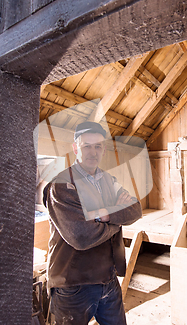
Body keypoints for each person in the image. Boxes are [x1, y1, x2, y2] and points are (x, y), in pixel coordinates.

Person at [43, 121, 142, 325]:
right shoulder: (62, 185)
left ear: (103, 149)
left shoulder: (108, 180)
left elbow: (135, 209)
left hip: (108, 278)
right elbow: (81, 236)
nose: (92, 151)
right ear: (75, 148)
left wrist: (102, 215)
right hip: (72, 284)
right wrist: (116, 221)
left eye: (98, 146)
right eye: (86, 145)